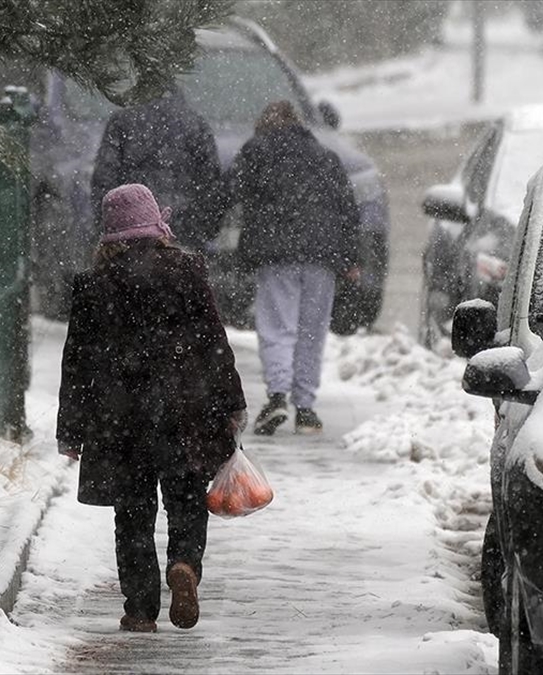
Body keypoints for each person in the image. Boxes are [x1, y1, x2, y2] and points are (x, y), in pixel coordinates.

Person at [57, 183, 247, 633]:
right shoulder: (186, 271)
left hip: (119, 417)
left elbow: (77, 361)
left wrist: (71, 427)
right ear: (156, 224)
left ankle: (140, 608)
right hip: (184, 410)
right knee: (185, 499)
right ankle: (183, 563)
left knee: (133, 512)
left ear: (109, 233)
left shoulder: (93, 286)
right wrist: (231, 403)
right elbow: (214, 344)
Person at [226, 100, 361, 436]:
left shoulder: (257, 151)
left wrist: (204, 229)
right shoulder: (325, 157)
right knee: (312, 332)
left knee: (277, 327)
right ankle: (306, 409)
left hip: (277, 254)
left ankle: (276, 397)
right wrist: (350, 258)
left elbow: (227, 192)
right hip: (322, 255)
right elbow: (348, 210)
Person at [91, 85, 223, 251]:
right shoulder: (196, 123)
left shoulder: (122, 121)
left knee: (134, 274)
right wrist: (205, 229)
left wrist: (107, 227)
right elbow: (211, 182)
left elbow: (104, 178)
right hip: (184, 229)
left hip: (132, 232)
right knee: (180, 274)